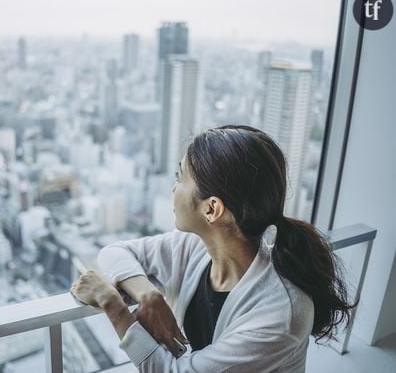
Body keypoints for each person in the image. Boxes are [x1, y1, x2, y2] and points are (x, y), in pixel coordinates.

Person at [71, 125, 354, 372]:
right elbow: (114, 252)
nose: (173, 188)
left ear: (212, 209)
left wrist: (114, 306)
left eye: (180, 178)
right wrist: (148, 294)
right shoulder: (193, 247)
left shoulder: (282, 312)